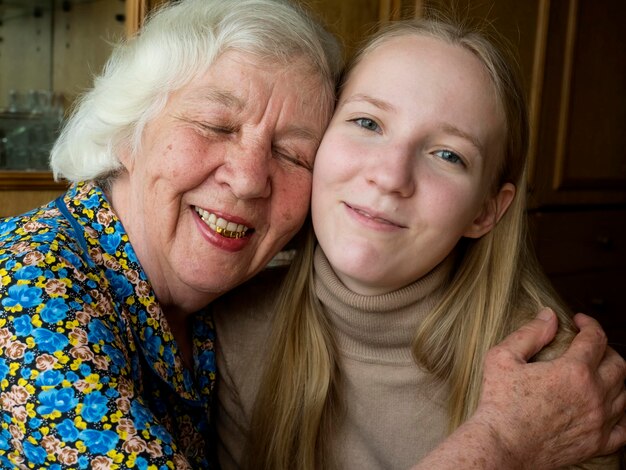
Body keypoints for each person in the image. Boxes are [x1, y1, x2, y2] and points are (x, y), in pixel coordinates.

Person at [213, 15, 626, 470]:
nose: (391, 176)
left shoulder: (555, 381)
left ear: (486, 210)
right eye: (368, 123)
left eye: (448, 154)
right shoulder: (235, 325)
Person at [0, 0, 342, 467]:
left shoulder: (229, 301)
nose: (247, 179)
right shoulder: (28, 289)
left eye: (293, 155)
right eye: (215, 125)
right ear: (128, 132)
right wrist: (482, 428)